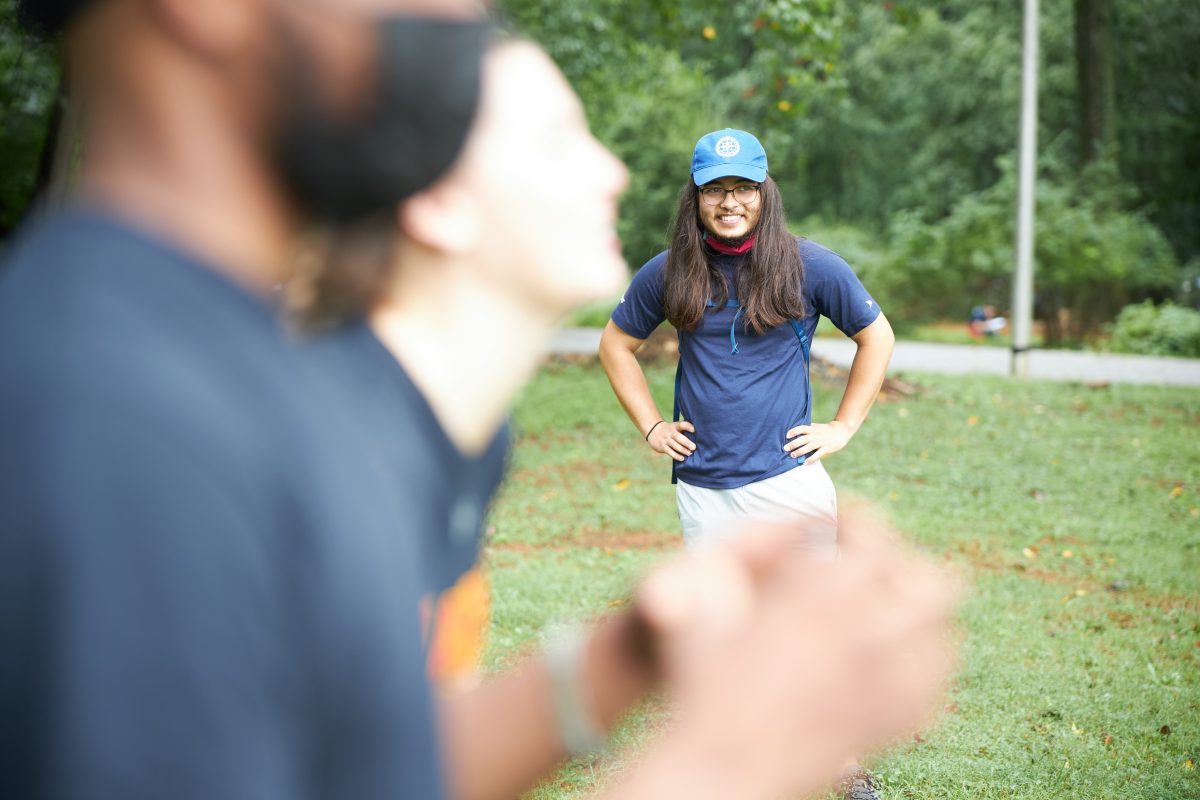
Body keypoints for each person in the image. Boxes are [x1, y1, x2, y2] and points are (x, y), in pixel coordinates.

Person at [0, 4, 951, 800]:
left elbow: (359, 769)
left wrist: (619, 661)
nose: (609, 172)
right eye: (549, 137)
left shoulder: (288, 378)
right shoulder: (116, 419)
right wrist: (722, 766)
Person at [598, 128, 897, 797]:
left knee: (812, 623)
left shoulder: (809, 265)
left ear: (762, 192)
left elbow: (876, 336)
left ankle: (845, 769)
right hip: (704, 487)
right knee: (722, 631)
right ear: (697, 197)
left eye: (740, 187)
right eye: (714, 189)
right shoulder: (670, 270)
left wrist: (844, 425)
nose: (728, 201)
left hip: (787, 481)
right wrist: (650, 424)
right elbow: (616, 345)